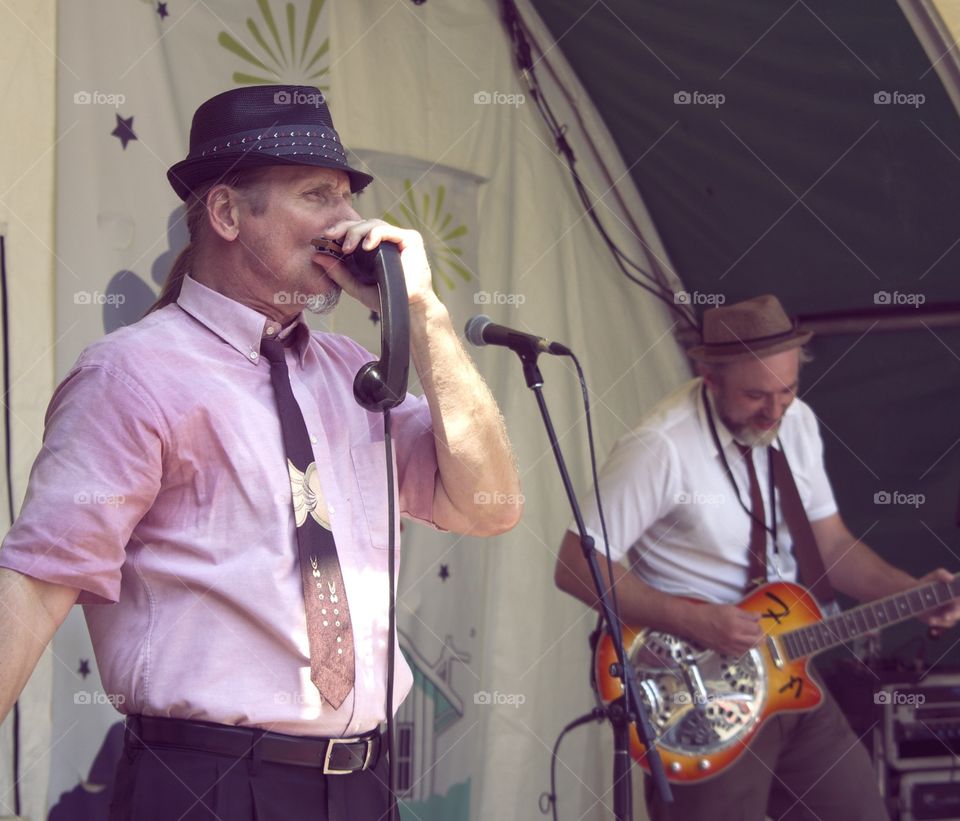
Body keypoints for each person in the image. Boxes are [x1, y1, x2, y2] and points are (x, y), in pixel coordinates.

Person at [0, 85, 521, 821]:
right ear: (226, 213)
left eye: (348, 198)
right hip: (204, 786)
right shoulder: (131, 375)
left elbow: (490, 506)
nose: (349, 223)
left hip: (363, 785)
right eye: (318, 196)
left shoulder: (350, 373)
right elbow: (34, 583)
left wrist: (424, 315)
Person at [554, 294, 960, 821]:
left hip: (790, 679)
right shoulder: (660, 447)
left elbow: (832, 546)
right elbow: (574, 562)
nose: (773, 411)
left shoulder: (797, 423)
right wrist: (695, 619)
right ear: (709, 374)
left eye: (787, 391)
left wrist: (909, 593)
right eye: (755, 395)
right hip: (698, 692)